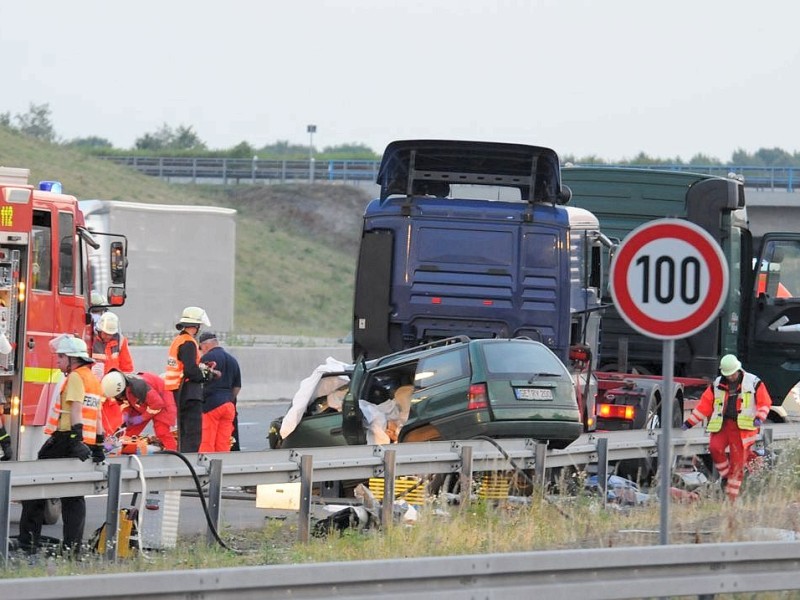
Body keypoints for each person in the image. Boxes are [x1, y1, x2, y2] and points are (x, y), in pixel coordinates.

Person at [18, 335, 104, 556]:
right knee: (74, 497)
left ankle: (28, 544)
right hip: (85, 443)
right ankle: (72, 548)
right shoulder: (93, 379)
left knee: (34, 488)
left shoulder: (75, 377)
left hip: (66, 439)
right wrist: (98, 445)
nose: (57, 361)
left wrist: (75, 438)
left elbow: (75, 409)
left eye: (60, 357)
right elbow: (99, 417)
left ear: (71, 359)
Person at [682, 354, 772, 502]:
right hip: (724, 425)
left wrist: (759, 418)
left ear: (738, 369)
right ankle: (726, 476)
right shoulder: (717, 384)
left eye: (733, 374)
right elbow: (705, 405)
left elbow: (765, 402)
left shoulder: (753, 382)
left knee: (737, 464)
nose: (731, 377)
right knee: (715, 447)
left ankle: (731, 499)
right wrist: (690, 422)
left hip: (743, 429)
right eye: (728, 374)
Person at [165, 306, 215, 453]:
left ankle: (185, 459)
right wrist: (206, 375)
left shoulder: (179, 340)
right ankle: (190, 462)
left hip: (179, 391)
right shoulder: (188, 342)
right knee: (193, 433)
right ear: (195, 325)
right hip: (189, 392)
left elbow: (186, 365)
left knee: (184, 431)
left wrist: (202, 367)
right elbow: (190, 370)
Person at [101, 369, 178, 451]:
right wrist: (126, 416)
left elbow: (157, 405)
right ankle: (119, 450)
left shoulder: (139, 387)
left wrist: (142, 418)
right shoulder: (120, 388)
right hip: (141, 401)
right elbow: (125, 403)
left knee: (162, 431)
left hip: (162, 400)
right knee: (128, 430)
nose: (117, 398)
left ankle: (173, 453)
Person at [91, 311, 134, 436]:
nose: (108, 336)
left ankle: (108, 443)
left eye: (110, 334)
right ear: (99, 329)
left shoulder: (120, 341)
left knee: (113, 420)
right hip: (95, 387)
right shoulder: (91, 340)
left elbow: (127, 366)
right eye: (105, 333)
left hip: (113, 388)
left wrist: (123, 387)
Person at [198, 332, 241, 453]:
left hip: (211, 405)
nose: (201, 351)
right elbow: (237, 387)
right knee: (223, 442)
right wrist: (227, 399)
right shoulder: (233, 360)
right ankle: (223, 468)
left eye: (201, 348)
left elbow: (201, 380)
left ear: (205, 345)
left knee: (207, 441)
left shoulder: (207, 358)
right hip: (228, 406)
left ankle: (206, 469)